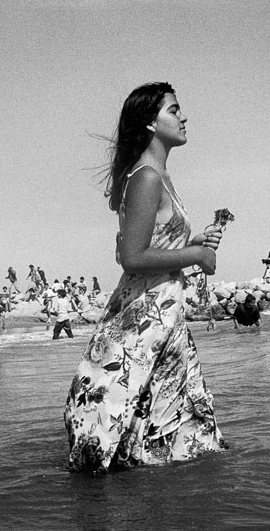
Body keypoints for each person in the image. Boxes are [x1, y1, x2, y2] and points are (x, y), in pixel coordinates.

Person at [64, 82, 226, 473]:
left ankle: (156, 507)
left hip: (163, 317)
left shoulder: (158, 175)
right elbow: (133, 258)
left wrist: (192, 237)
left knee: (163, 426)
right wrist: (197, 255)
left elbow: (146, 244)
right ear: (151, 124)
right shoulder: (148, 176)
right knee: (138, 420)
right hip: (144, 320)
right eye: (174, 110)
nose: (183, 117)